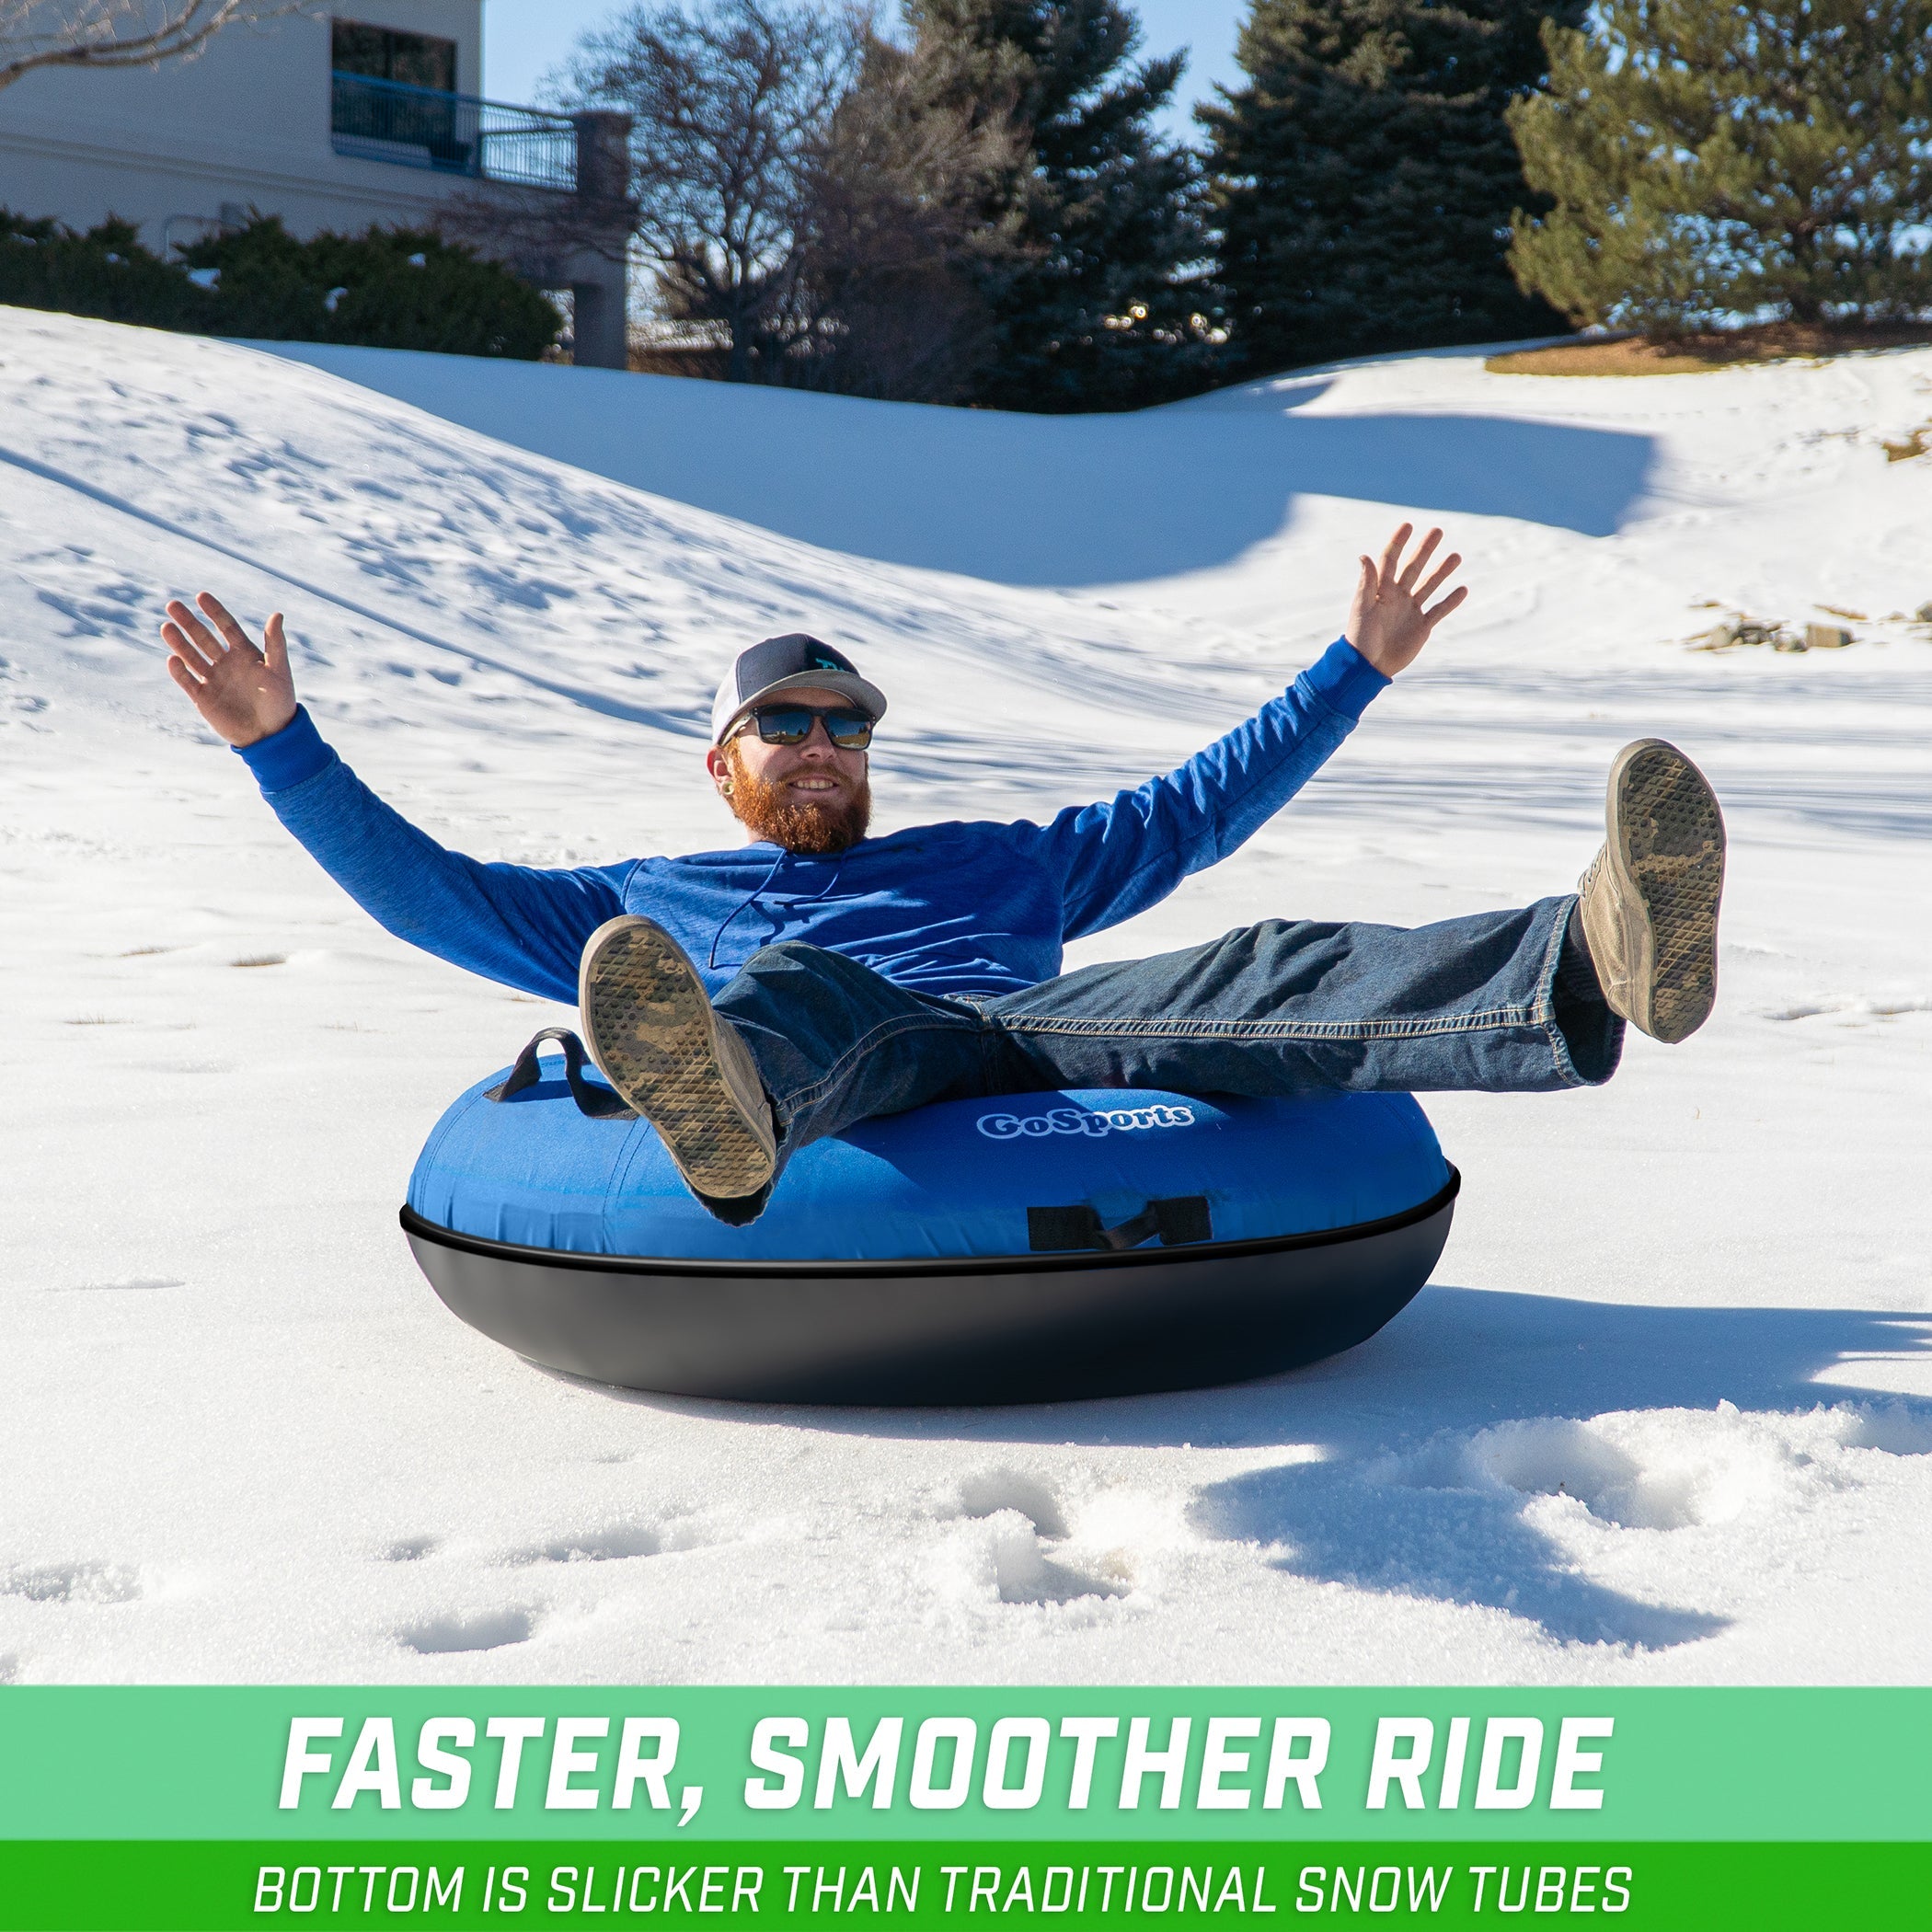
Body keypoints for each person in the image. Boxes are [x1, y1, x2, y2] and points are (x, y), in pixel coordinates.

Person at [161, 525, 1726, 1227]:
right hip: (852, 1047)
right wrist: (282, 745)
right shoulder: (642, 899)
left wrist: (1354, 667)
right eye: (787, 724)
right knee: (789, 991)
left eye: (847, 724)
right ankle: (722, 1094)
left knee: (1259, 962)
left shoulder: (992, 858)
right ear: (725, 760)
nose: (825, 743)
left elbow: (1195, 808)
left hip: (1038, 1021)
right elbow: (430, 891)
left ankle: (1591, 953)